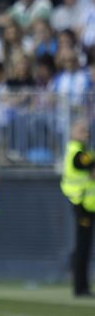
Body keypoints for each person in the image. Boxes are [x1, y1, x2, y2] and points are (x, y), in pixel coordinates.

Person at [60, 120, 95, 297]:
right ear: (72, 133)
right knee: (82, 246)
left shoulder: (81, 151)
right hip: (81, 203)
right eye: (81, 131)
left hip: (86, 204)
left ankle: (82, 285)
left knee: (84, 246)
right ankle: (80, 287)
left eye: (86, 131)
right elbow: (87, 166)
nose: (85, 134)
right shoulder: (77, 151)